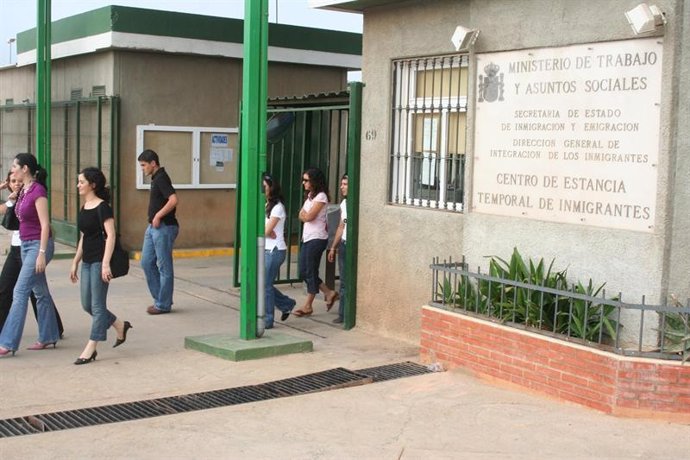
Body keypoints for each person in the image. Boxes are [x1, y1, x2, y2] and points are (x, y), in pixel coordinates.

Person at [69, 167, 132, 365]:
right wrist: (75, 261)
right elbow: (83, 236)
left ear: (92, 185)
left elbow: (111, 235)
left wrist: (105, 264)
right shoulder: (85, 206)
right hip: (87, 260)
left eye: (81, 182)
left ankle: (91, 347)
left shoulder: (103, 207)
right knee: (87, 304)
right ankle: (120, 325)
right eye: (78, 181)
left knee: (97, 307)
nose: (78, 185)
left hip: (99, 261)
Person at [0, 153, 60, 357]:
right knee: (40, 292)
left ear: (25, 169)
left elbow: (45, 225)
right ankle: (49, 335)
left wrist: (42, 253)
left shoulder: (37, 191)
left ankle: (7, 343)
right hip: (26, 245)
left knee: (19, 292)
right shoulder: (23, 190)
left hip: (37, 246)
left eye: (15, 166)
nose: (12, 169)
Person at [137, 149, 179, 315]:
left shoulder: (161, 177)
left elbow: (174, 200)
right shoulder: (156, 178)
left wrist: (158, 216)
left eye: (144, 165)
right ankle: (161, 299)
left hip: (164, 227)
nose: (142, 169)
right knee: (146, 262)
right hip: (154, 227)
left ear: (153, 163)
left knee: (164, 266)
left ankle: (163, 304)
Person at [293, 167, 338, 318]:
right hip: (307, 237)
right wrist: (305, 215)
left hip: (317, 238)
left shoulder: (321, 197)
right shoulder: (311, 197)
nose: (303, 183)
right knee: (304, 271)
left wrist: (305, 216)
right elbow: (300, 214)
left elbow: (309, 217)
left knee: (311, 271)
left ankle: (308, 305)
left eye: (306, 180)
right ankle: (329, 292)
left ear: (314, 181)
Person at [262, 172, 296, 329]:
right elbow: (265, 230)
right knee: (264, 283)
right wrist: (265, 230)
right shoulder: (267, 205)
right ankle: (286, 303)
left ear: (271, 188)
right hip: (267, 249)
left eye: (265, 187)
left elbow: (266, 231)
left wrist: (265, 231)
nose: (263, 190)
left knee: (265, 285)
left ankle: (268, 319)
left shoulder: (278, 208)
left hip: (275, 250)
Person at [327, 174, 348, 325]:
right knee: (343, 280)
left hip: (352, 245)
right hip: (344, 244)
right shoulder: (344, 203)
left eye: (345, 184)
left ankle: (346, 314)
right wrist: (333, 247)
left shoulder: (354, 203)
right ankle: (342, 314)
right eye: (341, 184)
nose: (342, 187)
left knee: (348, 281)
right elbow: (341, 226)